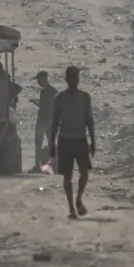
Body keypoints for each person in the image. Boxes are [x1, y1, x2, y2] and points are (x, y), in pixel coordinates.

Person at [49, 66, 95, 219]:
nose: (74, 80)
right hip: (65, 140)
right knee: (67, 175)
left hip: (81, 139)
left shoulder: (84, 97)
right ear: (66, 79)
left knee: (84, 172)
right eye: (72, 78)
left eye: (76, 77)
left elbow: (89, 119)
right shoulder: (60, 98)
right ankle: (71, 207)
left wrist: (93, 140)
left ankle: (78, 199)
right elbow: (55, 121)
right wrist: (51, 143)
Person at [30, 71, 57, 171]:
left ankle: (39, 165)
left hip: (45, 119)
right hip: (47, 119)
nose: (38, 82)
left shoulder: (48, 91)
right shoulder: (52, 91)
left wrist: (36, 103)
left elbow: (46, 106)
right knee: (48, 142)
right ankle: (48, 164)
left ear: (44, 79)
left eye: (38, 80)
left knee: (39, 142)